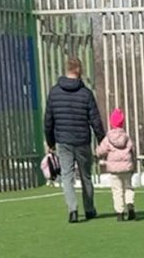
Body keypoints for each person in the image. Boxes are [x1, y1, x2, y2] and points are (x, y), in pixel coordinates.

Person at [43, 57, 105, 224]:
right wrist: (102, 139)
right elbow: (95, 120)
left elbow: (48, 120)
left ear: (66, 69)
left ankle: (73, 210)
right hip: (82, 139)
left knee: (67, 176)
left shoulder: (54, 92)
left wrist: (50, 141)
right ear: (80, 70)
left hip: (63, 140)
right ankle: (89, 209)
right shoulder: (86, 93)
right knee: (86, 176)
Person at [97, 108, 138, 221]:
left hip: (114, 169)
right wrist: (133, 162)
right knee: (128, 187)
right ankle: (130, 204)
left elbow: (101, 151)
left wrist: (98, 154)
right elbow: (132, 150)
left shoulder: (108, 138)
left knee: (117, 190)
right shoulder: (126, 137)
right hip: (126, 168)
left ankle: (120, 212)